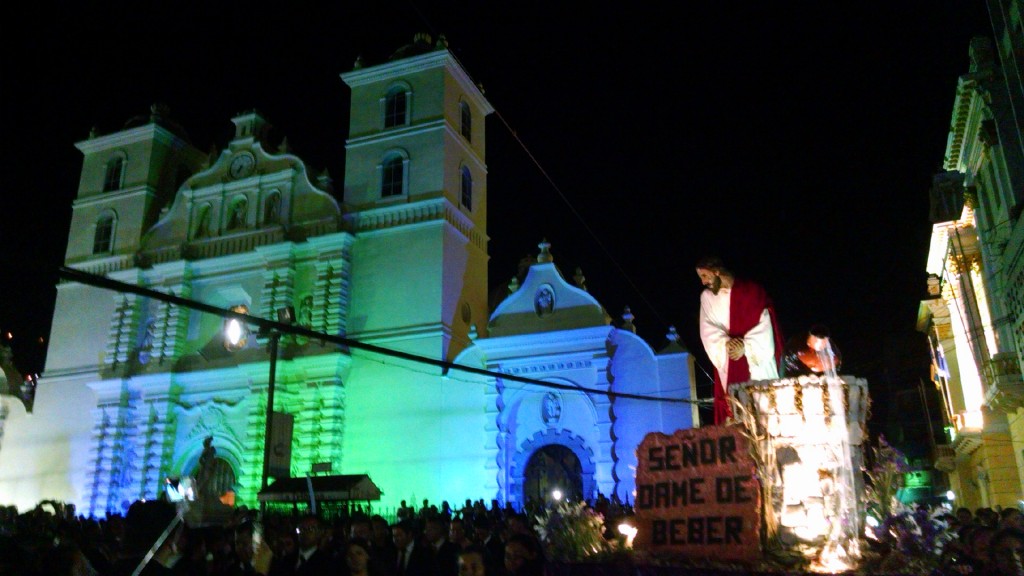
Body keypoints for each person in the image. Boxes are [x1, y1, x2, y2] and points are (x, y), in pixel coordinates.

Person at [695, 256, 784, 424]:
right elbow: (707, 329)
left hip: (757, 361)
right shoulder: (707, 298)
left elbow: (765, 323)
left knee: (764, 411)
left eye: (705, 276)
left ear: (717, 271)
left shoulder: (752, 291)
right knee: (737, 414)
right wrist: (727, 344)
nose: (703, 282)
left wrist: (746, 346)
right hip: (729, 359)